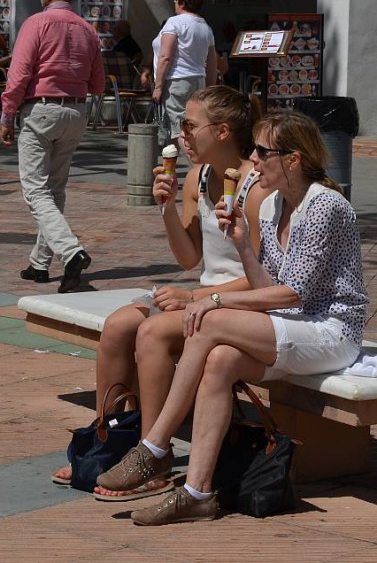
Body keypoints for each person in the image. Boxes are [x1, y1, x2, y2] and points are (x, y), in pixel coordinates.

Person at [96, 111, 369, 525]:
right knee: (220, 359)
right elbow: (269, 284)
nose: (254, 160)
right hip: (291, 323)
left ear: (293, 159)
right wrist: (242, 244)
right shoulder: (275, 204)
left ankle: (153, 447)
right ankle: (198, 492)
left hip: (330, 330)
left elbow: (295, 293)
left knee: (208, 321)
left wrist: (216, 299)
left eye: (263, 152)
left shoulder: (324, 206)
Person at [51, 85, 268, 497]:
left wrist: (196, 298)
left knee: (151, 332)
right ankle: (112, 441)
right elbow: (189, 259)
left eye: (189, 126)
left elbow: (267, 277)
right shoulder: (198, 177)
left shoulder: (255, 188)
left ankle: (153, 455)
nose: (180, 135)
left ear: (222, 132)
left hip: (241, 304)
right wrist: (166, 207)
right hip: (204, 297)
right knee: (117, 327)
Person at [0, 0, 104, 293]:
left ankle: (71, 252)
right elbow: (98, 83)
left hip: (41, 110)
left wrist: (6, 114)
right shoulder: (87, 29)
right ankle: (39, 263)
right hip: (76, 109)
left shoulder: (37, 23)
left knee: (36, 191)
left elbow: (18, 75)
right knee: (55, 190)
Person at [152, 0, 218, 150]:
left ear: (181, 2)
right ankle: (178, 168)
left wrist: (158, 86)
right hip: (198, 81)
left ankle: (196, 165)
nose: (174, 2)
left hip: (177, 80)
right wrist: (210, 88)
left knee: (178, 130)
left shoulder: (174, 23)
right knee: (193, 126)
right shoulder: (205, 27)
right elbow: (212, 62)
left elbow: (165, 57)